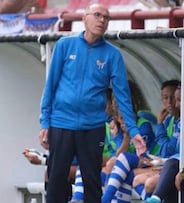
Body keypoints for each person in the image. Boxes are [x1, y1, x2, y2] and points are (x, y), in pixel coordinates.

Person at [38, 3, 147, 203]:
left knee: (92, 180)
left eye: (106, 18)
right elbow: (50, 86)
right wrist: (45, 122)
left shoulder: (112, 54)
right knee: (56, 179)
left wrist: (133, 131)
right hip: (62, 122)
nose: (102, 20)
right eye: (97, 15)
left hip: (93, 126)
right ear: (84, 18)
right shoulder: (65, 45)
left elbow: (123, 95)